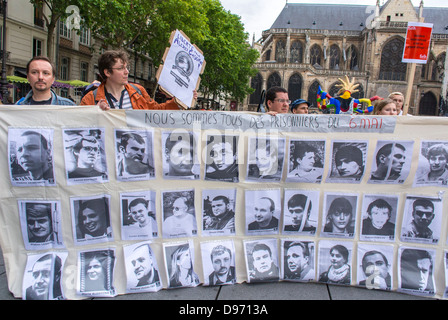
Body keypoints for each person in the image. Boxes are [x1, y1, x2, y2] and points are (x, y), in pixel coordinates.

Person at [80, 50, 194, 110]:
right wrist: (95, 112)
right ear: (107, 72)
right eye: (121, 68)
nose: (126, 72)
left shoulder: (138, 91)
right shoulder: (90, 99)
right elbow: (79, 128)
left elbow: (156, 111)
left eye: (126, 67)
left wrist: (180, 101)